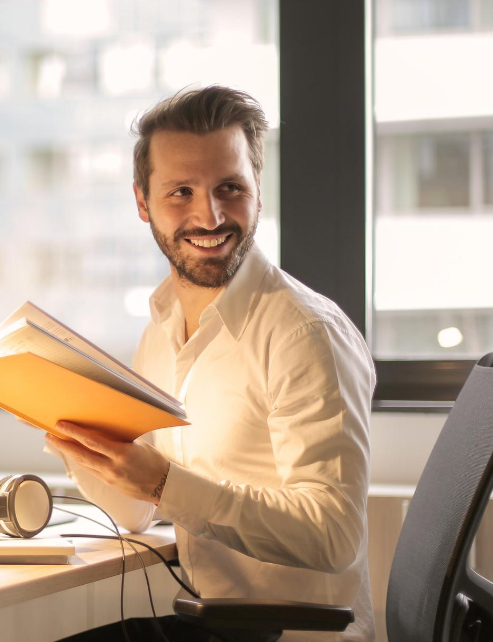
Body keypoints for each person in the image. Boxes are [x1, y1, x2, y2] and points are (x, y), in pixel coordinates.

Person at [48, 85, 376, 642]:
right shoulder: (161, 327)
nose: (210, 215)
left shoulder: (304, 332)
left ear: (256, 193)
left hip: (291, 635)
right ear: (142, 202)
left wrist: (167, 484)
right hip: (214, 623)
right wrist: (69, 434)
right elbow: (135, 513)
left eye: (230, 187)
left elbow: (334, 535)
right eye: (181, 191)